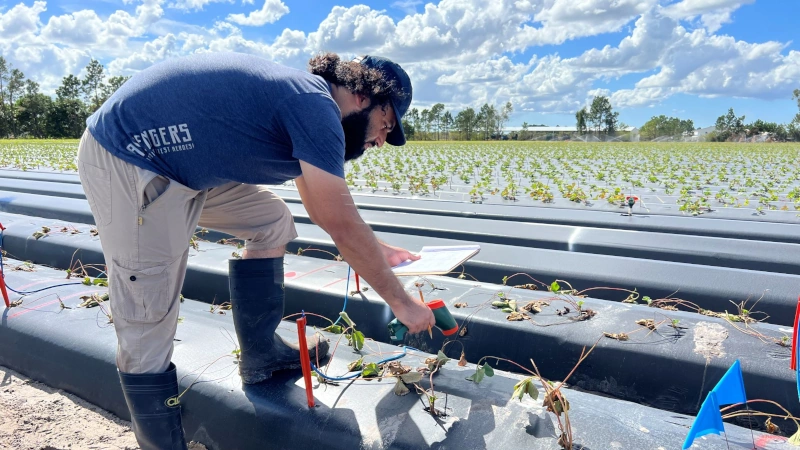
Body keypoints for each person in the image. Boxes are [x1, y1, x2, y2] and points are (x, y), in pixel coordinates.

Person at [77, 51, 436, 450]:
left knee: (271, 221)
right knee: (147, 316)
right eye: (386, 124)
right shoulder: (314, 104)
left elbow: (322, 207)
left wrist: (379, 249)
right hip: (130, 157)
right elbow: (339, 222)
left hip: (183, 168)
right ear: (363, 94)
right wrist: (403, 305)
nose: (382, 140)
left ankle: (261, 355)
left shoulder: (311, 105)